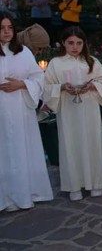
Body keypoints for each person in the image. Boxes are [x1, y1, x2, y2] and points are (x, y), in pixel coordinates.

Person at [43, 27, 102, 201]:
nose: (75, 47)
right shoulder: (56, 63)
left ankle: (96, 183)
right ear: (63, 43)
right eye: (71, 43)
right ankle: (74, 186)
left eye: (79, 43)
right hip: (68, 111)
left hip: (89, 108)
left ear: (84, 44)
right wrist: (61, 87)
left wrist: (92, 86)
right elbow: (45, 87)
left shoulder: (91, 62)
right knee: (70, 144)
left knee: (92, 142)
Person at [0, 12, 53, 211]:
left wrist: (22, 84)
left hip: (20, 109)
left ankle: (26, 193)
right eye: (2, 28)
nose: (6, 32)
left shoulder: (23, 52)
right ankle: (5, 197)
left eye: (10, 28)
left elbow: (39, 78)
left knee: (21, 149)